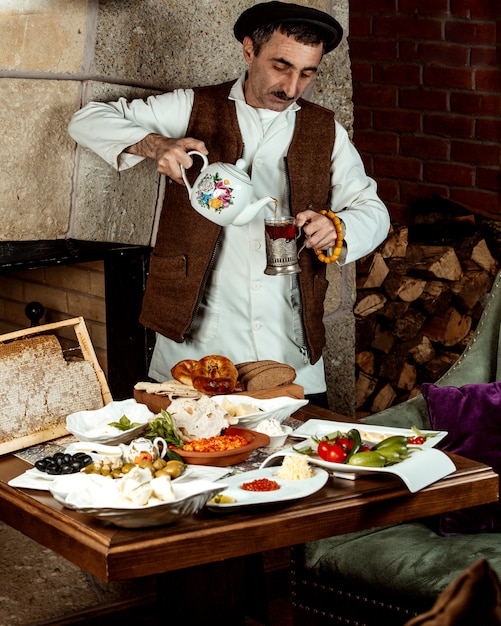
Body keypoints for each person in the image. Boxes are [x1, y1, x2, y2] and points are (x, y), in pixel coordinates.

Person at [68, 1, 390, 408]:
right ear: (249, 50)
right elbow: (86, 120)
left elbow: (373, 210)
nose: (291, 87)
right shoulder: (192, 106)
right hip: (196, 346)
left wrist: (338, 227)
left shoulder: (325, 129)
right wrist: (155, 145)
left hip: (289, 351)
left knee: (292, 465)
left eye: (306, 73)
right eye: (281, 66)